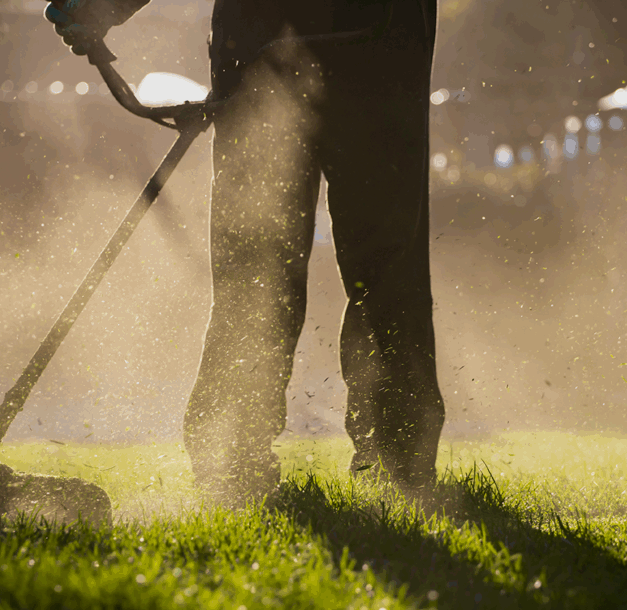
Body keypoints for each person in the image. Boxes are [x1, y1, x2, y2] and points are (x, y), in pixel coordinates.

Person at [45, 0, 445, 504]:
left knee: (315, 267)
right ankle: (256, 462)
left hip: (353, 41)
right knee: (280, 270)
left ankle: (380, 466)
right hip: (337, 41)